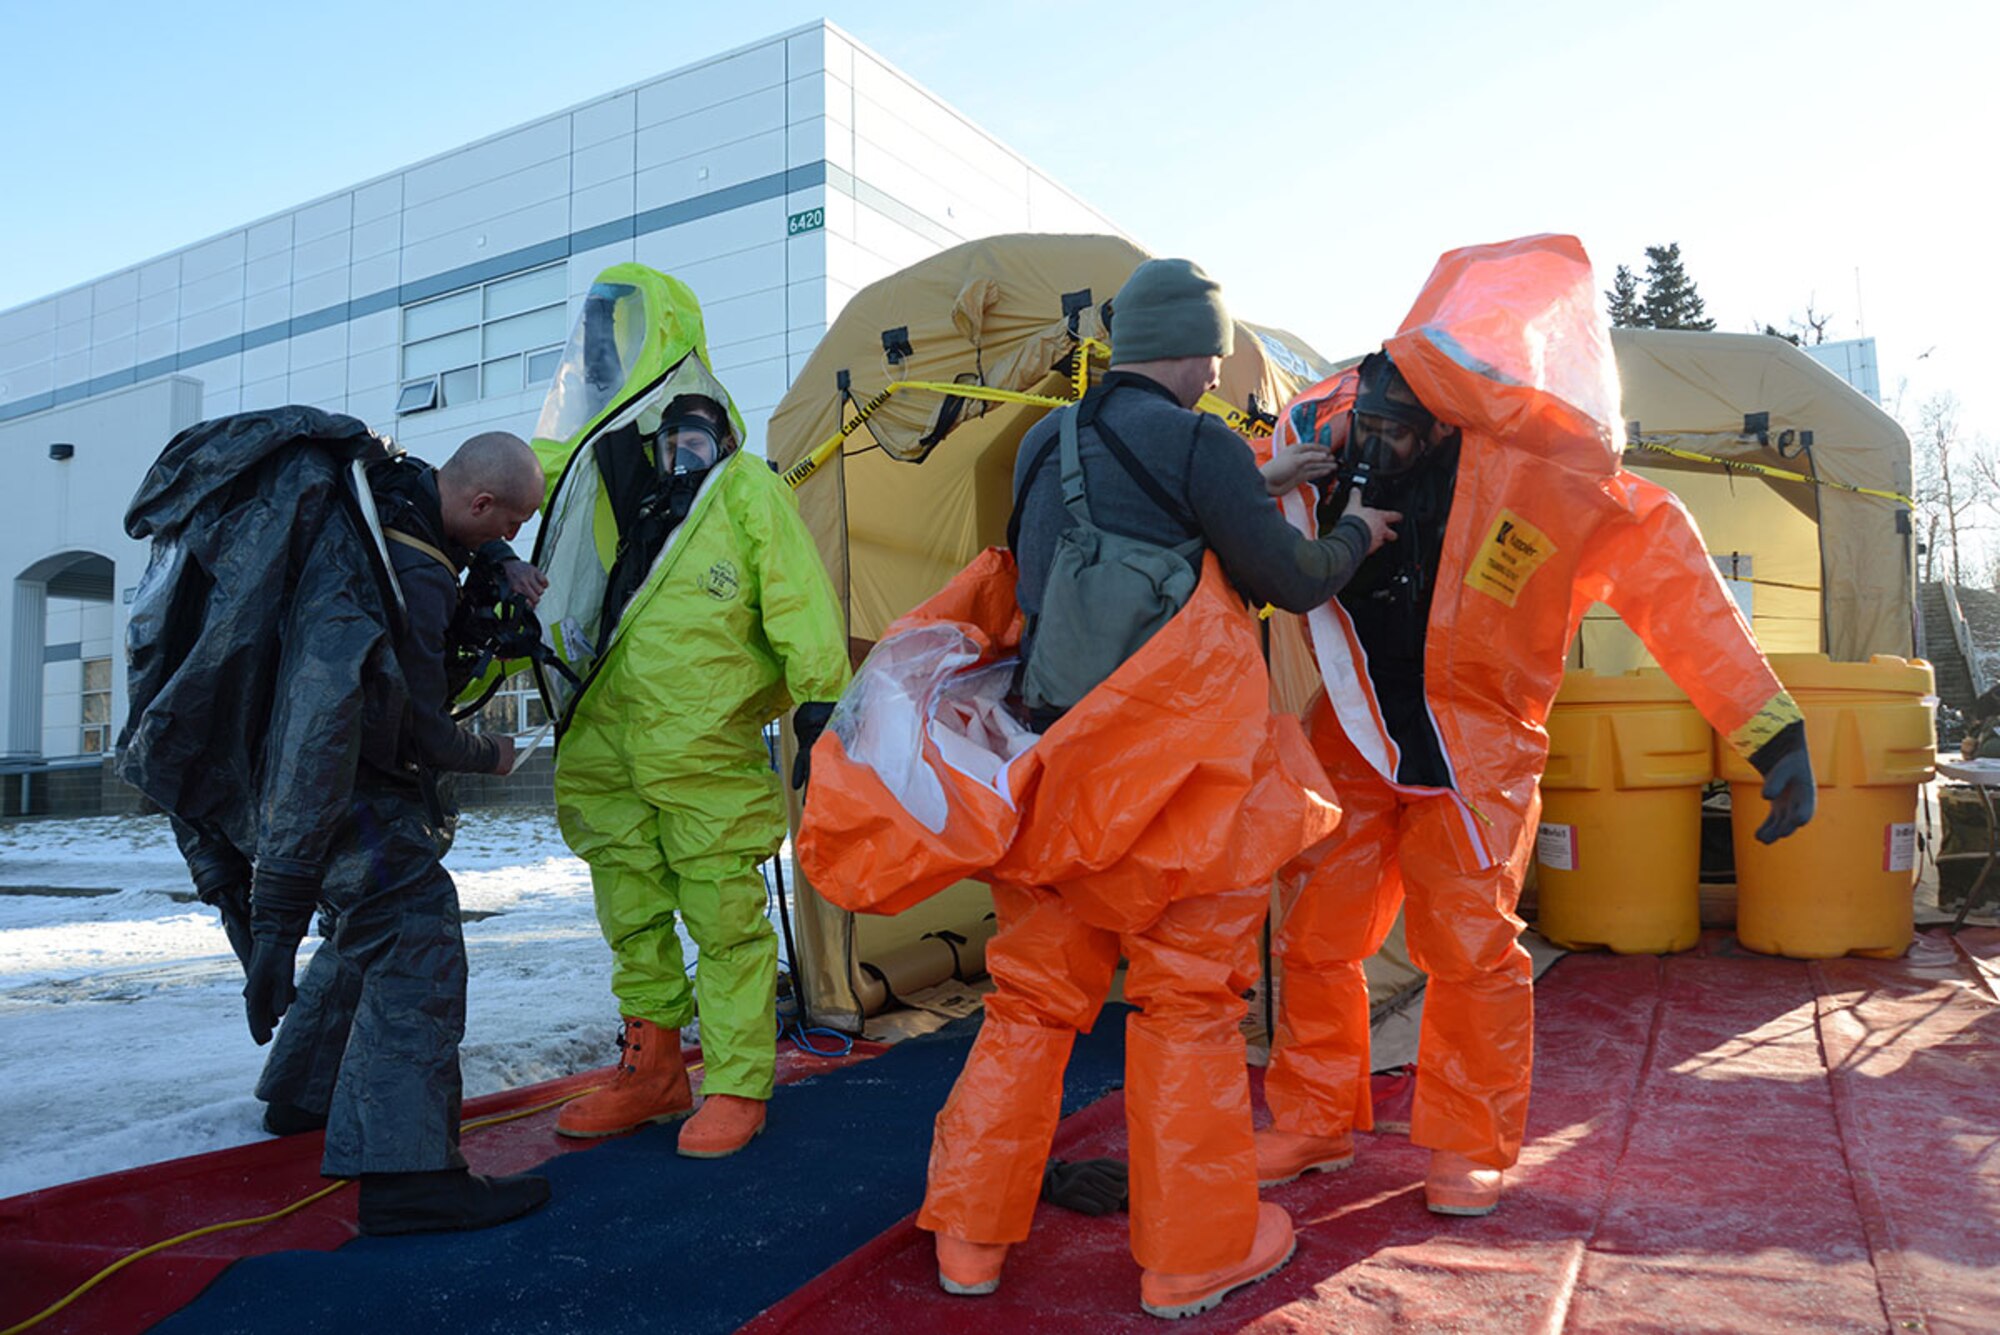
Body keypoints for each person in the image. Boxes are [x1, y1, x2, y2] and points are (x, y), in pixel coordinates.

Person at [1254, 235, 1820, 1218]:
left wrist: (1768, 731)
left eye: (1399, 425)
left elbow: (1679, 595)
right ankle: (1310, 1116)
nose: (1382, 439)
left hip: (1475, 746)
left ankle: (1466, 1143)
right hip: (1352, 724)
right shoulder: (1324, 421)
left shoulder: (1556, 471)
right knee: (1313, 933)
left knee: (1469, 949)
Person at [916, 258, 1399, 1320]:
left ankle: (966, 1239)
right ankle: (1195, 1253)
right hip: (1178, 786)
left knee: (1031, 1005)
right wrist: (1355, 532)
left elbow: (1098, 538)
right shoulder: (1198, 441)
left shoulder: (1046, 437)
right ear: (1203, 348)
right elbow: (1293, 578)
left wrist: (1248, 489)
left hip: (1049, 772)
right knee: (1184, 1007)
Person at [123, 414, 554, 1235]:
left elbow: (459, 511)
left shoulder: (375, 496)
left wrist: (495, 556)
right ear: (484, 498)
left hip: (258, 768)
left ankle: (304, 1093)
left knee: (373, 919)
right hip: (328, 782)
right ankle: (410, 1175)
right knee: (413, 921)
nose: (517, 532)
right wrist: (490, 752)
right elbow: (405, 728)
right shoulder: (416, 572)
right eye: (511, 520)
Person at [533, 265, 850, 1158]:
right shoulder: (596, 470)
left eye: (614, 335)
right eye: (591, 340)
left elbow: (799, 596)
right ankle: (655, 1066)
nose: (599, 355)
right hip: (606, 733)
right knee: (629, 906)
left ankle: (740, 1080)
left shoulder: (742, 486)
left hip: (702, 735)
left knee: (722, 915)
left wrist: (821, 704)